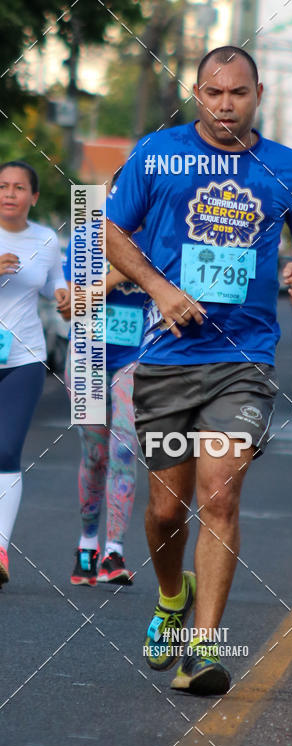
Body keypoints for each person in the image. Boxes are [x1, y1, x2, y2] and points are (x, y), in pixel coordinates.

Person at [106, 45, 292, 695]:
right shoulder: (158, 155)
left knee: (220, 495)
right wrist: (158, 288)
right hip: (166, 356)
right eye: (213, 92)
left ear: (259, 93)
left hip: (245, 357)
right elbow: (113, 230)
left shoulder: (285, 166)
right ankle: (172, 597)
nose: (226, 104)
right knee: (164, 511)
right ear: (196, 94)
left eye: (238, 93)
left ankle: (201, 652)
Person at [64, 172, 147, 587]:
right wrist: (123, 271)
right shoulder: (85, 238)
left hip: (136, 358)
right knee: (95, 456)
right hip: (87, 357)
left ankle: (114, 552)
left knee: (125, 451)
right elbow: (73, 303)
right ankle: (86, 544)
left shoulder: (159, 237)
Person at [0, 161, 69, 586]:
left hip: (23, 359)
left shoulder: (44, 239)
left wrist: (64, 296)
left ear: (34, 197)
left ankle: (0, 549)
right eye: (2, 186)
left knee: (6, 452)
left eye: (19, 187)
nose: (9, 193)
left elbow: (54, 283)